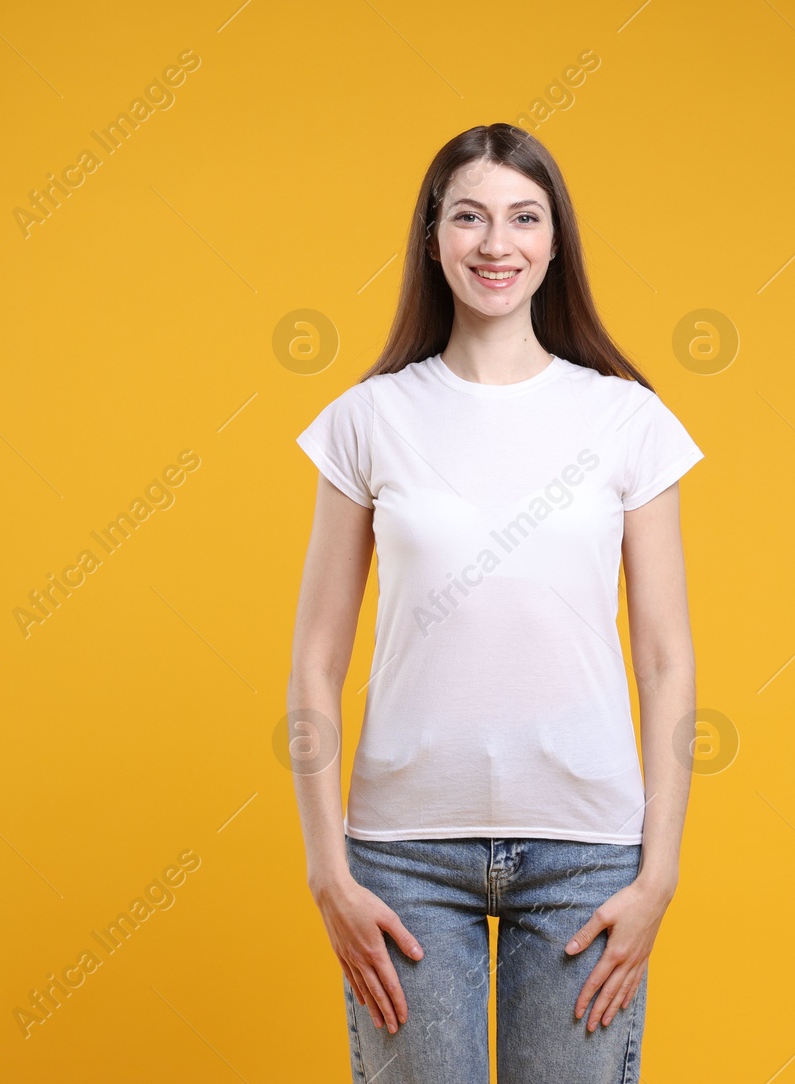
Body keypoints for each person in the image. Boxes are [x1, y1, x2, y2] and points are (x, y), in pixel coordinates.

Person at [287, 122, 704, 1084]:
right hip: (402, 859)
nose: (495, 243)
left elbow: (666, 659)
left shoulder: (626, 419)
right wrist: (328, 874)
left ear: (555, 243)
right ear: (433, 237)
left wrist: (660, 872)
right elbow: (315, 660)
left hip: (588, 856)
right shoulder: (369, 419)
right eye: (468, 216)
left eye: (523, 217)